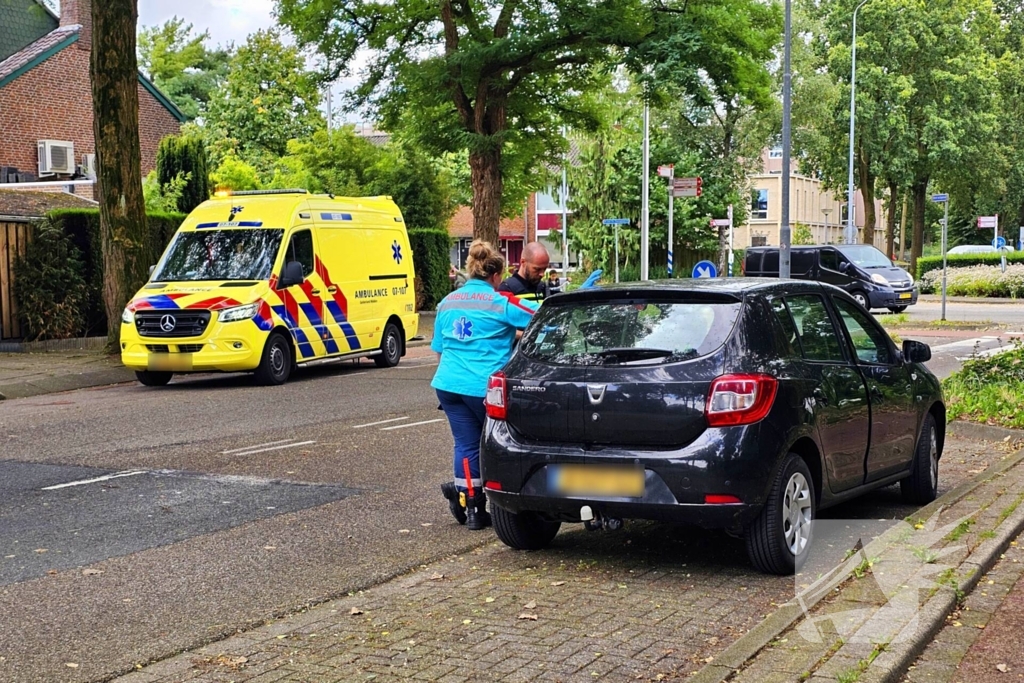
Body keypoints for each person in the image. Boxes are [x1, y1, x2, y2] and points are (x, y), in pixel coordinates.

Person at [432, 240, 540, 530]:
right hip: (482, 387)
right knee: (495, 444)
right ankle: (507, 504)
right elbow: (543, 315)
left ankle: (473, 511)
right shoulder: (500, 302)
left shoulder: (446, 303)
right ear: (496, 277)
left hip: (449, 384)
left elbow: (439, 347)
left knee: (466, 445)